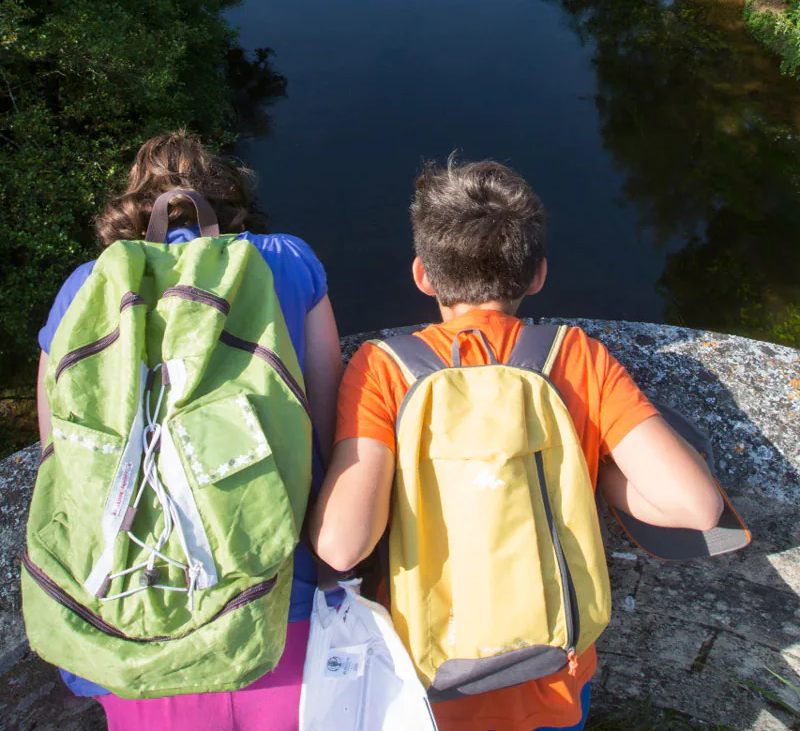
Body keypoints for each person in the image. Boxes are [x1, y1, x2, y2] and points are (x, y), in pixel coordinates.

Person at [310, 158, 723, 731]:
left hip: (425, 682)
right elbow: (696, 507)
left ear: (422, 276)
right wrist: (592, 472)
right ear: (538, 276)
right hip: (555, 675)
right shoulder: (576, 356)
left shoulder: (383, 368)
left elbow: (342, 545)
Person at [36, 131, 343, 731]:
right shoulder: (285, 258)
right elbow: (324, 425)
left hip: (134, 616)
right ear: (229, 198)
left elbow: (61, 455)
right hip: (280, 599)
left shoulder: (85, 287)